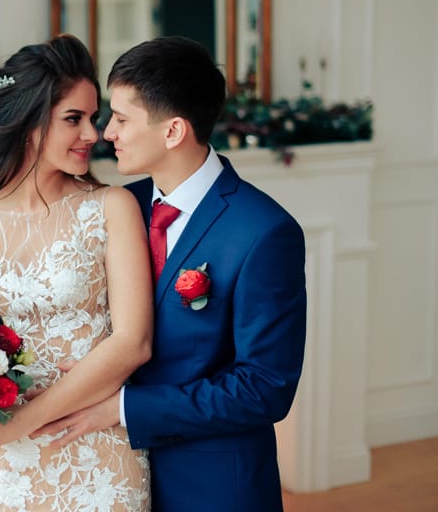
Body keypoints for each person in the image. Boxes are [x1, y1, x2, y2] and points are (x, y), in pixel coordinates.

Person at [36, 36, 307, 512]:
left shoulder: (266, 232)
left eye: (121, 118)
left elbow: (264, 388)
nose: (105, 133)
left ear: (173, 131)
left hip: (216, 487)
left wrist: (123, 409)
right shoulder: (118, 208)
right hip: (112, 473)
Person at [0, 34, 154, 511]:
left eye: (93, 118)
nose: (93, 134)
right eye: (73, 119)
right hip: (2, 468)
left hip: (98, 457)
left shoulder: (111, 209)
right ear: (28, 122)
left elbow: (133, 343)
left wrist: (21, 422)